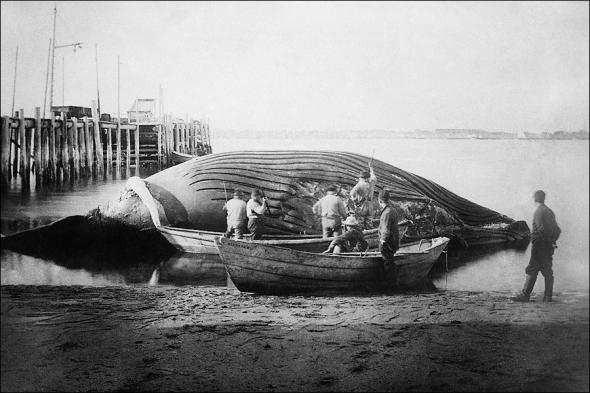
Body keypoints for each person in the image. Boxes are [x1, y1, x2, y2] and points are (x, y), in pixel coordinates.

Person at [512, 190, 561, 302]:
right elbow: (558, 230)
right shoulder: (549, 211)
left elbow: (541, 228)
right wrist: (552, 241)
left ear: (535, 199)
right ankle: (548, 297)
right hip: (548, 246)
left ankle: (525, 295)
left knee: (532, 268)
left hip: (539, 245)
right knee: (547, 270)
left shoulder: (539, 211)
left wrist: (546, 240)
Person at [377, 189, 400, 265]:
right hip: (393, 242)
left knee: (388, 264)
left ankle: (390, 276)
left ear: (380, 201)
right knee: (390, 261)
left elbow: (385, 230)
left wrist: (383, 241)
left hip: (387, 243)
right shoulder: (393, 210)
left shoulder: (386, 213)